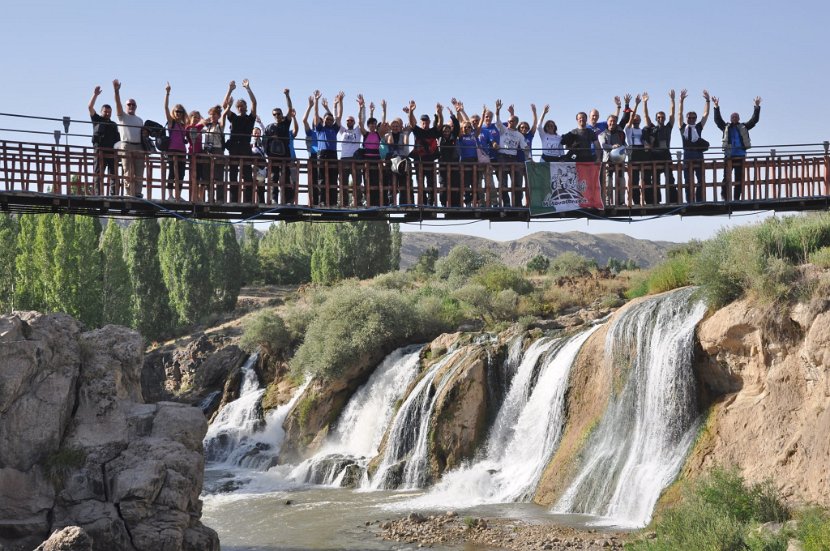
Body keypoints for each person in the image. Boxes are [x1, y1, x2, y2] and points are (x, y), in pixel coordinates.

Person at [714, 95, 761, 201]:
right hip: (729, 155)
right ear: (730, 119)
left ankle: (736, 198)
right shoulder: (726, 127)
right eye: (733, 117)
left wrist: (756, 107)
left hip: (740, 155)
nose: (734, 118)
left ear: (739, 119)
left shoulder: (744, 126)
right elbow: (717, 120)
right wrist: (716, 107)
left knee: (739, 178)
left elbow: (754, 120)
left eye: (736, 117)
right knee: (726, 177)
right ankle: (725, 197)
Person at [224, 79, 258, 203]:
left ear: (245, 108)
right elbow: (224, 107)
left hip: (245, 150)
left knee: (247, 176)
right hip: (234, 149)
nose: (241, 108)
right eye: (239, 107)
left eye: (243, 107)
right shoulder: (233, 118)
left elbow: (254, 103)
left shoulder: (250, 119)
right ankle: (233, 201)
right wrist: (230, 90)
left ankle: (248, 201)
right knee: (233, 176)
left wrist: (248, 89)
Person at [494, 99, 531, 207]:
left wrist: (529, 158)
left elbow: (525, 147)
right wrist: (497, 110)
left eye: (512, 121)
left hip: (513, 158)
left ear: (516, 123)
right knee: (503, 182)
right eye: (509, 121)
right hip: (502, 156)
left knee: (517, 182)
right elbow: (497, 121)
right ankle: (506, 203)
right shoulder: (503, 130)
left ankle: (517, 204)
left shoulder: (519, 135)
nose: (510, 123)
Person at [112, 79, 145, 197]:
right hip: (126, 145)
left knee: (140, 171)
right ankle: (129, 192)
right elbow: (117, 104)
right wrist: (116, 92)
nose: (131, 106)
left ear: (136, 106)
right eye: (129, 104)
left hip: (139, 146)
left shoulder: (140, 120)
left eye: (133, 104)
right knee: (128, 170)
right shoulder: (122, 117)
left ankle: (138, 192)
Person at [642, 90, 676, 203]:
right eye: (659, 117)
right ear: (656, 119)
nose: (661, 119)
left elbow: (672, 114)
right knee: (655, 180)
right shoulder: (652, 128)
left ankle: (672, 199)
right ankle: (656, 200)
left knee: (670, 179)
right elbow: (646, 116)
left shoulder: (668, 127)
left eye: (662, 117)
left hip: (666, 155)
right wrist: (645, 103)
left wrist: (672, 100)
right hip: (655, 156)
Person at [677, 89, 711, 202]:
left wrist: (707, 101)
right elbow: (679, 114)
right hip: (687, 154)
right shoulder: (683, 128)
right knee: (688, 180)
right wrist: (681, 101)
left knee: (700, 179)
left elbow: (705, 114)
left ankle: (700, 200)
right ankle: (689, 201)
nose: (691, 119)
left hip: (698, 154)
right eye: (689, 117)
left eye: (693, 117)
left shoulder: (698, 127)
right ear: (687, 119)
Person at [406, 99, 441, 206]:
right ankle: (423, 202)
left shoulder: (433, 131)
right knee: (420, 182)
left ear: (429, 122)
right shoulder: (418, 130)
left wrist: (439, 113)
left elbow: (440, 124)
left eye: (426, 121)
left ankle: (431, 202)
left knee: (431, 182)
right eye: (423, 122)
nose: (425, 123)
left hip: (430, 160)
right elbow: (412, 123)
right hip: (419, 160)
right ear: (421, 123)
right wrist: (411, 111)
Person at [263, 88, 294, 204]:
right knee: (273, 177)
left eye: (278, 113)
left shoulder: (286, 122)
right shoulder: (269, 127)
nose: (276, 115)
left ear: (281, 114)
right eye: (274, 114)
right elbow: (264, 141)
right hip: (272, 155)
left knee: (286, 177)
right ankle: (274, 199)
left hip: (285, 153)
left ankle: (288, 199)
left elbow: (290, 109)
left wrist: (287, 95)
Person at [88, 86, 120, 195]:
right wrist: (95, 95)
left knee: (113, 174)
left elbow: (118, 140)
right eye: (105, 112)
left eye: (109, 112)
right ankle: (98, 194)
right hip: (99, 150)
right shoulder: (97, 119)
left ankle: (114, 194)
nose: (107, 114)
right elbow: (90, 107)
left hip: (111, 152)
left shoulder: (113, 124)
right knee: (98, 173)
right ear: (101, 111)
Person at [624, 95, 653, 205]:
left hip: (643, 154)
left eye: (638, 120)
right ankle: (636, 202)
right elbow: (630, 119)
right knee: (634, 180)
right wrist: (636, 104)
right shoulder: (628, 130)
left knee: (647, 179)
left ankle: (649, 201)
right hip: (633, 154)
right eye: (634, 120)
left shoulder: (643, 131)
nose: (636, 122)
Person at [356, 94, 385, 206]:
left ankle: (376, 202)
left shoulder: (378, 134)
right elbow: (360, 122)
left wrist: (383, 109)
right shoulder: (366, 133)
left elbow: (383, 122)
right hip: (367, 160)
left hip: (376, 161)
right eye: (370, 124)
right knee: (367, 181)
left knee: (377, 181)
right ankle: (368, 202)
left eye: (374, 124)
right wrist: (361, 108)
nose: (372, 126)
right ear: (368, 126)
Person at [314, 90, 341, 206]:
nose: (329, 121)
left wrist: (340, 102)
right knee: (322, 179)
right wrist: (316, 101)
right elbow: (315, 115)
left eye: (331, 120)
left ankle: (333, 202)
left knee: (333, 178)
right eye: (327, 119)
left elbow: (339, 117)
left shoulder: (334, 129)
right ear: (323, 120)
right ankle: (323, 202)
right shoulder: (320, 128)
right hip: (322, 153)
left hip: (333, 153)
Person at [335, 92, 362, 206]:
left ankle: (358, 202)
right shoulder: (342, 131)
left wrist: (361, 107)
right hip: (344, 158)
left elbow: (362, 119)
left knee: (357, 182)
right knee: (343, 183)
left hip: (355, 159)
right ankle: (344, 203)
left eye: (351, 120)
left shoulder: (358, 130)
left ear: (354, 122)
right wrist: (339, 103)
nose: (349, 122)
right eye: (348, 121)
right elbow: (337, 118)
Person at [163, 82, 188, 201]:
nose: (178, 113)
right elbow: (165, 108)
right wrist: (167, 93)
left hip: (182, 151)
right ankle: (170, 195)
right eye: (177, 111)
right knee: (172, 173)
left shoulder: (184, 125)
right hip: (172, 150)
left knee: (181, 174)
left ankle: (178, 195)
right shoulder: (171, 123)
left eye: (180, 112)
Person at [202, 103, 229, 203]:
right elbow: (198, 124)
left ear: (218, 116)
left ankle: (220, 198)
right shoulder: (207, 127)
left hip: (217, 150)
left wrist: (227, 108)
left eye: (214, 115)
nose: (212, 117)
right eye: (211, 115)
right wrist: (204, 121)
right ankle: (210, 198)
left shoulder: (219, 126)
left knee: (219, 176)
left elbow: (224, 117)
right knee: (208, 176)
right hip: (207, 151)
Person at [598, 114, 627, 206]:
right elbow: (603, 146)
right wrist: (612, 146)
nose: (612, 123)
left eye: (614, 121)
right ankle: (607, 201)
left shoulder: (621, 134)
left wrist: (624, 148)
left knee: (621, 181)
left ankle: (621, 201)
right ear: (607, 122)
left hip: (620, 160)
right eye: (610, 121)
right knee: (608, 181)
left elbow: (624, 144)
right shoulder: (602, 134)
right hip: (608, 160)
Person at [185, 110, 205, 202]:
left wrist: (202, 121)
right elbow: (195, 131)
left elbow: (203, 123)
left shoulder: (199, 128)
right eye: (194, 117)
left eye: (198, 117)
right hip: (192, 153)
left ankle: (200, 197)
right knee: (195, 176)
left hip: (200, 153)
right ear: (190, 118)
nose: (196, 119)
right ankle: (195, 197)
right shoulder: (189, 128)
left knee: (202, 176)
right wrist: (202, 122)